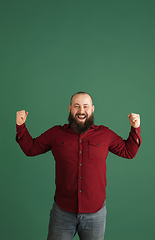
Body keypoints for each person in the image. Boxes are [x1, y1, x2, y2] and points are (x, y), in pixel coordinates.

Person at [16, 92, 141, 240]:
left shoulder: (105, 134)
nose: (81, 111)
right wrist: (20, 125)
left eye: (85, 106)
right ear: (70, 108)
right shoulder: (56, 133)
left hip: (95, 215)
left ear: (92, 109)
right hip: (62, 213)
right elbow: (31, 148)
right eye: (77, 106)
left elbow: (128, 151)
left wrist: (135, 128)